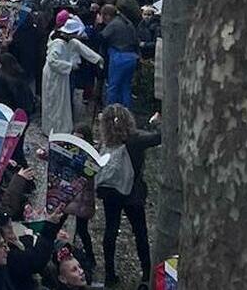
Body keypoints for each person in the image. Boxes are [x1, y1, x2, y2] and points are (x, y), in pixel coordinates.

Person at [95, 105, 160, 288]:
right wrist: (156, 123)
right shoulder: (136, 139)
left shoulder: (106, 142)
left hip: (111, 192)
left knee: (110, 229)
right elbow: (159, 138)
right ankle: (147, 274)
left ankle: (109, 274)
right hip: (133, 193)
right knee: (140, 231)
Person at [41, 16, 102, 135]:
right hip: (54, 76)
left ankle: (62, 128)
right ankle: (52, 129)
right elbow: (52, 61)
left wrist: (97, 59)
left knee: (63, 103)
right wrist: (70, 66)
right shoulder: (58, 43)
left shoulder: (70, 41)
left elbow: (83, 49)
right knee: (54, 103)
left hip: (62, 74)